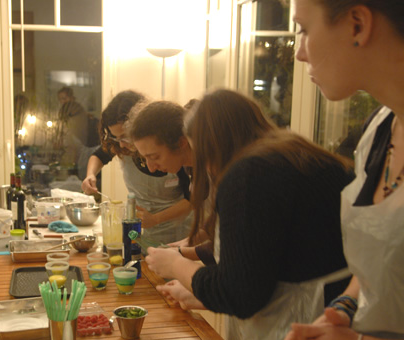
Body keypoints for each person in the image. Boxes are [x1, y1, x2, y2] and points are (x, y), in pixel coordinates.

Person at [146, 89, 353, 340]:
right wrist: (199, 293)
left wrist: (175, 265)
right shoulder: (298, 155)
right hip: (337, 313)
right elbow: (265, 265)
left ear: (207, 142)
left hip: (300, 324)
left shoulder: (248, 175)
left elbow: (240, 295)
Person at [285, 1, 404, 339]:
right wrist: (344, 309)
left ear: (357, 24)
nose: (299, 54)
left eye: (304, 30)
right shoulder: (379, 131)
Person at [81, 90, 192, 245]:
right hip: (143, 229)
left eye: (125, 137)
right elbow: (99, 155)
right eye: (116, 138)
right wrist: (90, 175)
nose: (121, 144)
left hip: (178, 230)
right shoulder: (122, 146)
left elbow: (193, 200)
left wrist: (156, 219)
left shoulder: (175, 155)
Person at [126, 100, 213, 262]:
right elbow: (215, 225)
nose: (151, 168)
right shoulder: (193, 169)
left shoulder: (219, 171)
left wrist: (179, 259)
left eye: (155, 157)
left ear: (181, 143)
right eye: (145, 158)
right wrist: (184, 245)